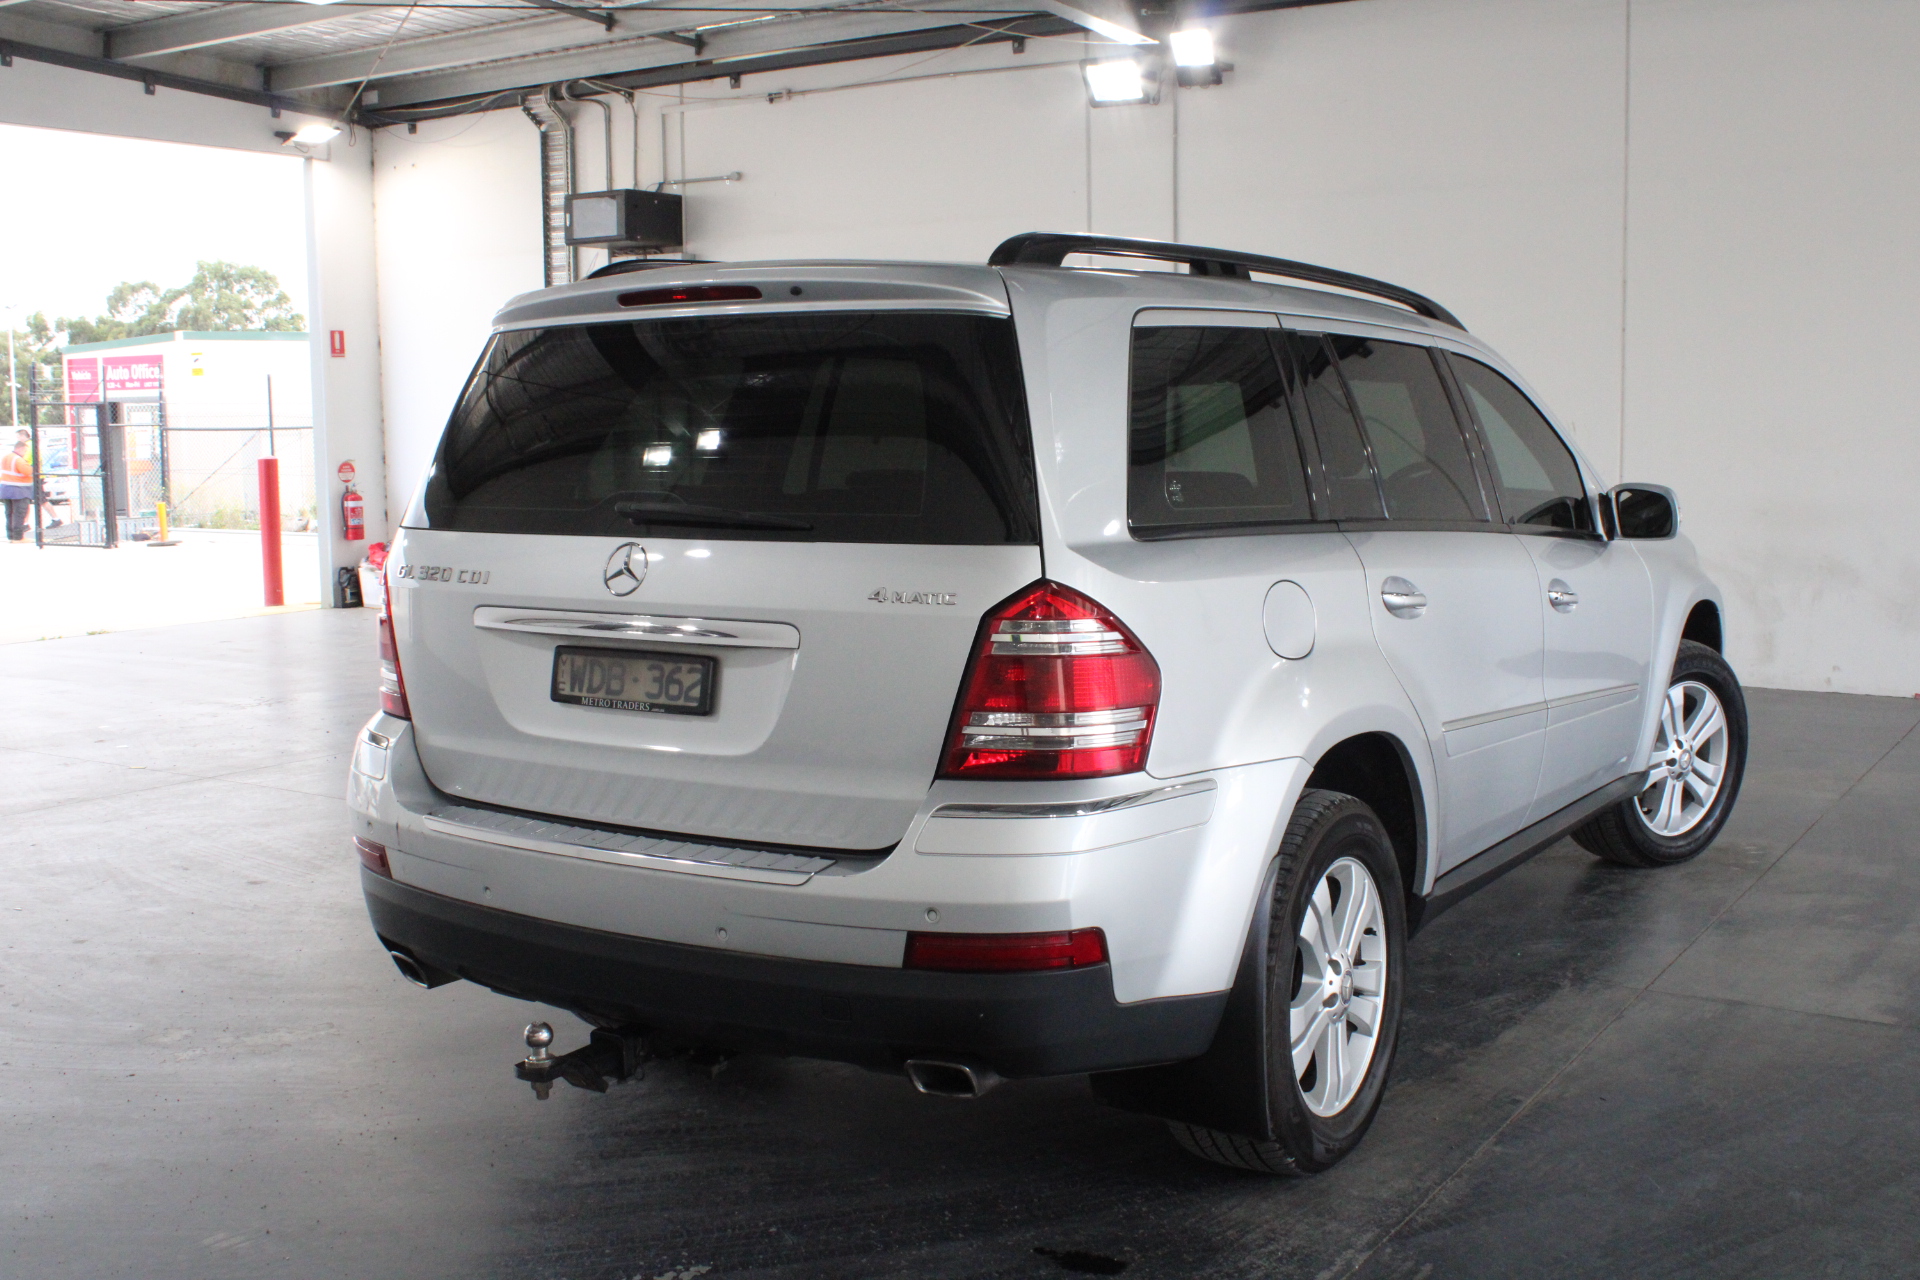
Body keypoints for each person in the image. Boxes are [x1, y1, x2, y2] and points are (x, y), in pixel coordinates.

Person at [0, 435, 31, 542]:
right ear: (20, 449)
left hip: (5, 489)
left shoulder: (6, 457)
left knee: (9, 513)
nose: (25, 453)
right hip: (18, 491)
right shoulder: (19, 460)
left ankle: (11, 536)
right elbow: (28, 472)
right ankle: (18, 537)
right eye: (25, 451)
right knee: (19, 513)